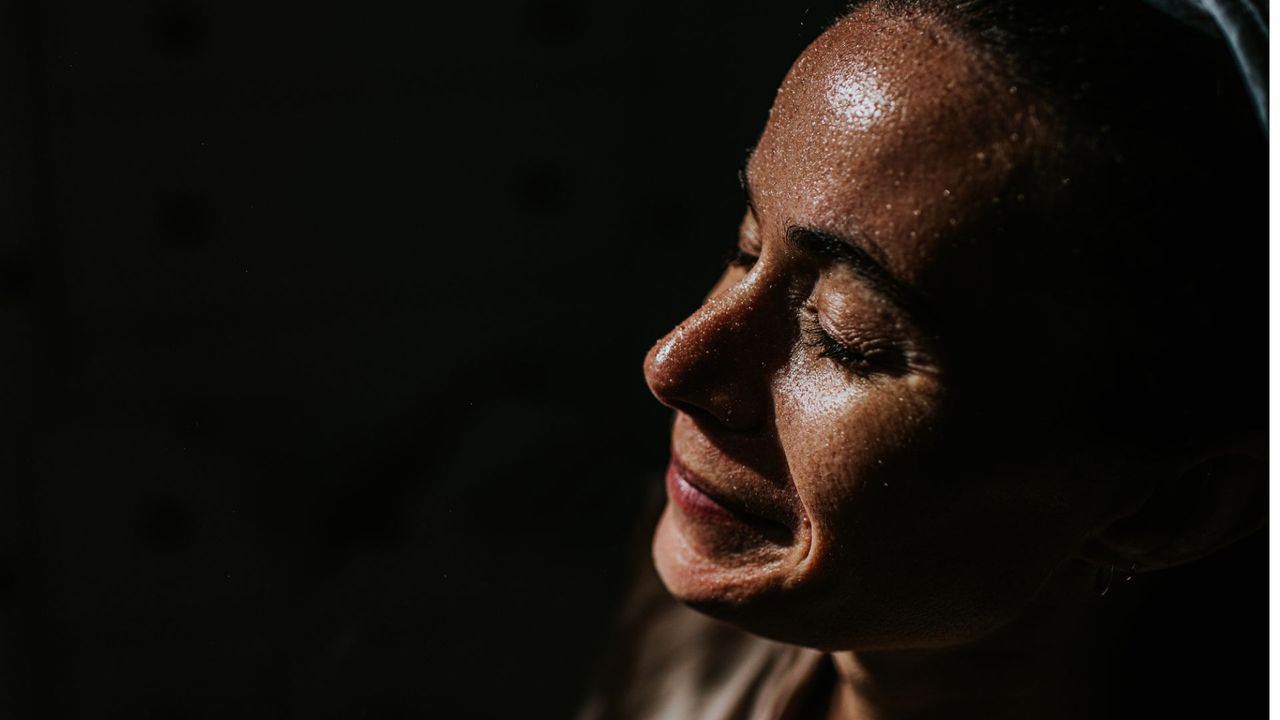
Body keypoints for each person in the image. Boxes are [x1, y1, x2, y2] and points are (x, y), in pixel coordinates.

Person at [579, 1, 1267, 718]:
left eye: (850, 337)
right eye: (746, 248)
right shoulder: (689, 614)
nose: (671, 364)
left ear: (1176, 507)